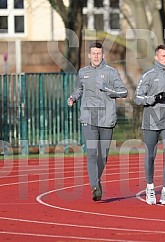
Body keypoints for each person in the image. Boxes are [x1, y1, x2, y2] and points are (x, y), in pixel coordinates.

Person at [68, 42, 128, 201]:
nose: (96, 56)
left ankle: (97, 179)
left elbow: (123, 92)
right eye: (93, 53)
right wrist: (73, 97)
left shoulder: (111, 72)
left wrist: (107, 90)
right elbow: (79, 89)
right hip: (89, 117)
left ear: (103, 55)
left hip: (106, 118)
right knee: (92, 153)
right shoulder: (83, 72)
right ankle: (95, 186)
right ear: (89, 55)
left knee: (103, 156)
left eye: (98, 53)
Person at [134, 44, 165, 205]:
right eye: (163, 56)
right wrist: (152, 98)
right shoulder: (148, 75)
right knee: (151, 155)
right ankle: (150, 188)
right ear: (156, 57)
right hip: (151, 121)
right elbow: (137, 98)